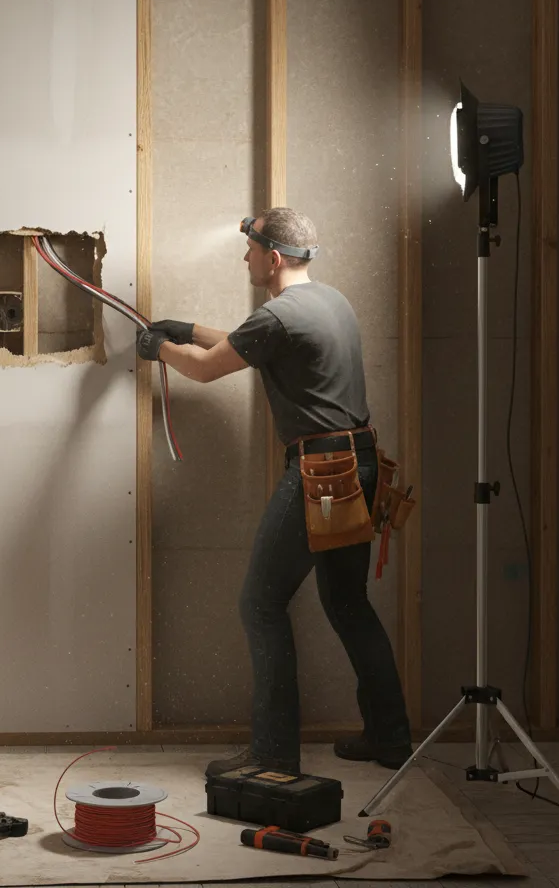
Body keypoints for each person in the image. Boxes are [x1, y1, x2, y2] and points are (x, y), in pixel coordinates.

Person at [136, 208, 412, 776]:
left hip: (321, 472)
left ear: (275, 257)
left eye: (251, 249)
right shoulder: (330, 302)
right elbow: (247, 344)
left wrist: (158, 350)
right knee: (348, 602)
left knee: (260, 605)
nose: (246, 258)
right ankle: (391, 738)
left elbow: (210, 370)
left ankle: (273, 752)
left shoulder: (280, 316)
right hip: (358, 463)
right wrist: (185, 331)